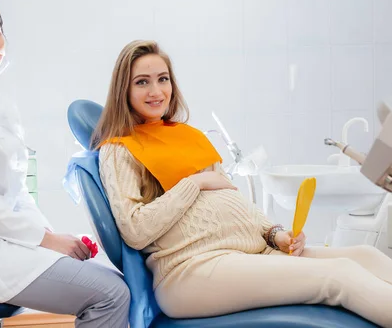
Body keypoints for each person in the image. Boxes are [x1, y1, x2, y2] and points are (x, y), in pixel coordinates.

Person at [91, 39, 392, 328]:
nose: (156, 91)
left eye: (163, 79)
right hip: (191, 269)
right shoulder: (119, 149)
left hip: (248, 254)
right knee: (337, 276)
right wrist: (194, 183)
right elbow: (135, 230)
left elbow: (235, 204)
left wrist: (275, 235)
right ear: (124, 90)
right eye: (142, 81)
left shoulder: (187, 136)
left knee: (364, 256)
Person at [0, 0, 130, 328]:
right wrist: (46, 241)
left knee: (114, 279)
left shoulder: (1, 104)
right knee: (110, 294)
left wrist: (49, 236)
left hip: (4, 240)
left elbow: (16, 191)